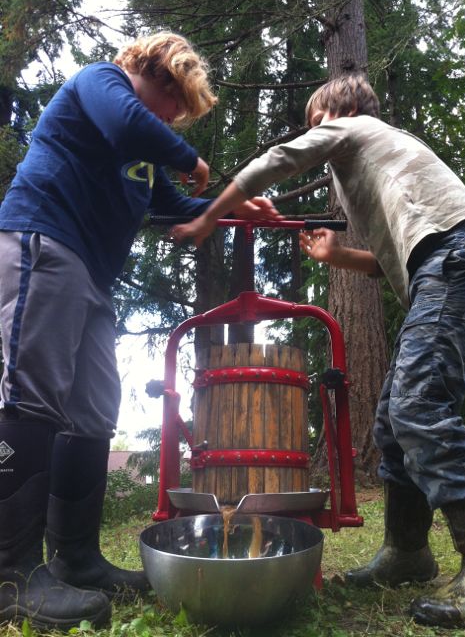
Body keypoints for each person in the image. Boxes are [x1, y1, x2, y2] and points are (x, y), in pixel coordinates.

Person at [172, 73, 465, 629]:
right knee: (391, 424)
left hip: (455, 259)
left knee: (418, 412)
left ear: (340, 112)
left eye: (318, 121)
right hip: (439, 267)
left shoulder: (357, 127)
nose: (315, 133)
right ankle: (407, 554)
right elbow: (392, 264)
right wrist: (340, 256)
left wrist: (214, 212)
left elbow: (284, 157)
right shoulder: (381, 171)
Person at [0, 31, 279, 631]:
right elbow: (130, 124)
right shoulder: (99, 83)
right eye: (174, 101)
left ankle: (75, 560)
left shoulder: (142, 158)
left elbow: (178, 206)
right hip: (43, 242)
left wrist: (234, 203)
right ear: (156, 72)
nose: (176, 116)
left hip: (91, 278)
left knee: (94, 410)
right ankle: (10, 576)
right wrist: (193, 158)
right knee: (33, 394)